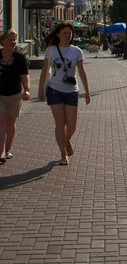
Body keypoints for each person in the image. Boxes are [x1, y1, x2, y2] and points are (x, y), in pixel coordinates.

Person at [37, 21, 91, 166]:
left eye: (69, 33)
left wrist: (87, 91)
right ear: (58, 34)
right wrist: (41, 89)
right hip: (54, 90)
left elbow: (81, 71)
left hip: (71, 91)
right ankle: (63, 154)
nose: (68, 35)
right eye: (64, 33)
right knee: (60, 123)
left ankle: (66, 141)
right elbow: (44, 71)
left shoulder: (77, 51)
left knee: (72, 125)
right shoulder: (51, 50)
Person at [0, 30, 30, 164]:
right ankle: (1, 151)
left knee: (11, 122)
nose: (13, 42)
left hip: (14, 94)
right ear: (2, 41)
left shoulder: (19, 58)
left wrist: (27, 89)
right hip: (0, 94)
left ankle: (8, 149)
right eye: (10, 39)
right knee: (1, 120)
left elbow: (24, 75)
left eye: (14, 39)